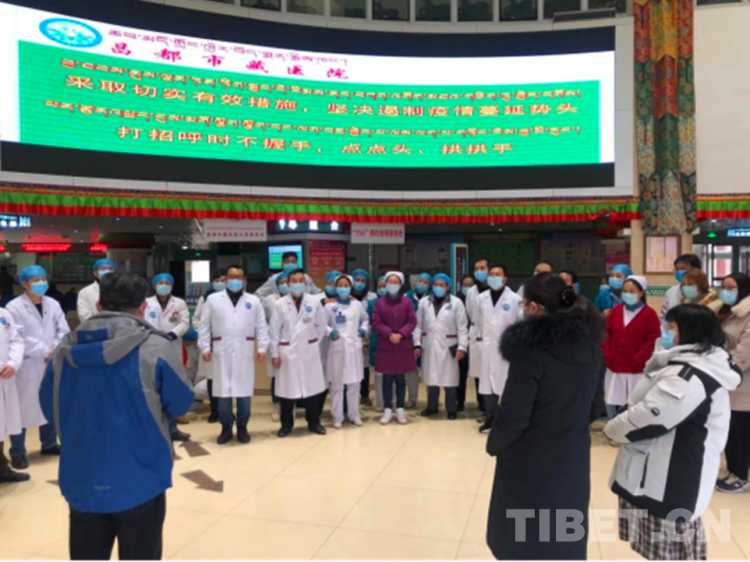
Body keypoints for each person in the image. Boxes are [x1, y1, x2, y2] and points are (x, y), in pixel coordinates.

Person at [39, 271, 194, 561]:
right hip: (142, 474)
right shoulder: (155, 347)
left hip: (82, 471)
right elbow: (180, 403)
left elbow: (49, 405)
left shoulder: (64, 351)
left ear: (99, 306)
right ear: (143, 307)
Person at [606, 304, 741, 560]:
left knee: (670, 549)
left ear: (690, 332)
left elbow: (649, 417)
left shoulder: (688, 376)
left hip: (669, 475)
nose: (666, 333)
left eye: (672, 328)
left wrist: (613, 429)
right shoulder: (693, 361)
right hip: (659, 466)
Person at [487, 273, 604, 560]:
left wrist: (496, 445)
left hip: (530, 455)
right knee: (563, 526)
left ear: (535, 307)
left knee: (523, 533)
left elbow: (514, 413)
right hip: (572, 451)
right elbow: (595, 405)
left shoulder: (531, 349)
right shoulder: (590, 344)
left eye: (524, 304)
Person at [6, 265, 69, 469]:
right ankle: (17, 451)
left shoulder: (53, 304)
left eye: (43, 278)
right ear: (24, 283)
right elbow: (18, 337)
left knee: (49, 402)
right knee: (21, 409)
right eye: (36, 280)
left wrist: (54, 350)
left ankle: (49, 444)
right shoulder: (14, 307)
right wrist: (45, 350)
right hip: (27, 364)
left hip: (50, 361)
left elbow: (64, 330)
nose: (41, 283)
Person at [199, 265, 269, 445]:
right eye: (231, 276)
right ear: (225, 280)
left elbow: (261, 326)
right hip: (221, 351)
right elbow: (204, 326)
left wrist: (262, 348)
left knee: (244, 392)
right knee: (223, 392)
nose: (234, 280)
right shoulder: (213, 299)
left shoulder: (253, 301)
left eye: (238, 277)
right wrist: (205, 347)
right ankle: (226, 426)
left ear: (244, 281)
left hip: (244, 351)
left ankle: (243, 426)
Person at [269, 269, 327, 438]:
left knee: (312, 390)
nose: (297, 283)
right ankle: (286, 425)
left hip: (309, 351)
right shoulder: (280, 304)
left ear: (305, 283)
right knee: (287, 392)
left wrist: (312, 341)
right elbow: (274, 331)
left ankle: (314, 422)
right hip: (287, 352)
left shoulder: (314, 302)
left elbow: (321, 326)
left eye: (300, 280)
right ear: (288, 283)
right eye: (294, 281)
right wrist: (275, 354)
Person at [708, 273, 750, 492]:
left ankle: (741, 476)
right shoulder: (721, 311)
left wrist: (720, 366)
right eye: (723, 286)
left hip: (743, 382)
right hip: (723, 378)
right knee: (730, 430)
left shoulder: (747, 314)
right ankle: (733, 470)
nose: (726, 291)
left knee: (740, 432)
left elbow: (744, 352)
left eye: (731, 288)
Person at [602, 275, 660, 428]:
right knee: (612, 400)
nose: (627, 294)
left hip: (636, 369)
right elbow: (607, 334)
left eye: (632, 291)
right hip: (615, 366)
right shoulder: (616, 311)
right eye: (625, 291)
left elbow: (653, 340)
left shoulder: (649, 314)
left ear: (641, 293)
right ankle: (614, 429)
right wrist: (608, 354)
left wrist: (639, 359)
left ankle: (633, 432)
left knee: (634, 403)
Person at [474, 264, 524, 434]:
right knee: (487, 385)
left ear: (505, 278)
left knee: (508, 384)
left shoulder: (515, 299)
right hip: (487, 347)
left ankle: (509, 419)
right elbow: (477, 323)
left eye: (498, 274)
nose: (494, 277)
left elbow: (520, 324)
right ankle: (491, 418)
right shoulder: (481, 298)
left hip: (507, 349)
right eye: (491, 274)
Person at [413, 273, 468, 420]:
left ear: (448, 287)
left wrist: (462, 347)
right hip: (429, 344)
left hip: (449, 345)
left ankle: (451, 409)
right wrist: (417, 344)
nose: (438, 287)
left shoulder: (456, 303)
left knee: (450, 380)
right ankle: (432, 407)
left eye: (441, 285)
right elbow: (418, 325)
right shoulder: (424, 302)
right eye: (436, 284)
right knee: (431, 378)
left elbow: (462, 327)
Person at [372, 272, 417, 425]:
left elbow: (412, 321)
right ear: (385, 284)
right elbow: (376, 322)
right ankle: (387, 409)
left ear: (400, 285)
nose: (392, 284)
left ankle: (400, 409)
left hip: (402, 345)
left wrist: (401, 334)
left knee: (400, 379)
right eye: (389, 281)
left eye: (395, 282)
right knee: (387, 379)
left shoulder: (407, 302)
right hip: (386, 345)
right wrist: (389, 334)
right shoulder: (379, 303)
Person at [325, 274, 369, 428]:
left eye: (346, 285)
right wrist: (330, 331)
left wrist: (363, 330)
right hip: (337, 348)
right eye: (340, 285)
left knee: (354, 384)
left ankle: (354, 415)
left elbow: (365, 319)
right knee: (337, 385)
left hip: (354, 348)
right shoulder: (329, 306)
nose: (343, 288)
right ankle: (337, 417)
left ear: (350, 287)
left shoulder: (357, 304)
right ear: (335, 287)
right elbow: (321, 323)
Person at [192, 270, 226, 423]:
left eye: (223, 280)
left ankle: (225, 410)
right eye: (217, 280)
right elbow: (196, 319)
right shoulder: (205, 297)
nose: (220, 283)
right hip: (210, 343)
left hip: (227, 343)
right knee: (211, 378)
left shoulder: (233, 297)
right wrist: (204, 333)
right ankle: (214, 410)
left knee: (226, 378)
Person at [0, 305, 27, 483]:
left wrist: (13, 364)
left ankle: (1, 468)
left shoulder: (3, 314)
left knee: (1, 426)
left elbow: (16, 340)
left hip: (5, 376)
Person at [261, 273, 291, 423]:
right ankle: (276, 404)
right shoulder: (269, 300)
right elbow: (263, 320)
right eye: (282, 283)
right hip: (274, 342)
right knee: (276, 375)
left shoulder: (297, 299)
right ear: (277, 285)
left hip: (292, 343)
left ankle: (290, 406)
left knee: (291, 374)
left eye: (287, 282)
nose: (285, 285)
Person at [466, 258, 491, 421]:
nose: (479, 271)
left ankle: (493, 407)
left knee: (493, 374)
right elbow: (471, 315)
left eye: (482, 268)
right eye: (476, 268)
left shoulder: (497, 290)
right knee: (479, 374)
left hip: (493, 337)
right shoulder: (471, 292)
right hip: (477, 336)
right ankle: (482, 406)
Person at [404, 272, 431, 408]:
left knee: (429, 370)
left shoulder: (433, 297)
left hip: (429, 337)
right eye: (420, 281)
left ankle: (431, 400)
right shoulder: (406, 296)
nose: (422, 284)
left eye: (425, 282)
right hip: (409, 338)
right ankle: (412, 399)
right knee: (412, 370)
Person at [351, 269, 377, 408]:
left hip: (365, 335)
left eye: (363, 281)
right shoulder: (345, 295)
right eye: (357, 280)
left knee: (364, 367)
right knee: (349, 367)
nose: (360, 283)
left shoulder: (372, 297)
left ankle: (365, 395)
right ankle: (350, 396)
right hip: (348, 336)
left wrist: (366, 339)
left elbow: (371, 318)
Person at [660, 254, 702, 330]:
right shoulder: (671, 292)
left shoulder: (708, 294)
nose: (679, 272)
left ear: (696, 270)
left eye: (683, 269)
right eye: (677, 269)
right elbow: (664, 317)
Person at [255, 251, 321, 298]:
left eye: (293, 262)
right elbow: (258, 294)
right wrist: (270, 304)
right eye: (287, 262)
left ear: (297, 263)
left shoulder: (305, 277)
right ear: (282, 264)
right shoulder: (274, 278)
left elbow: (317, 293)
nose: (290, 264)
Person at [456, 275, 475, 412]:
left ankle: (482, 402)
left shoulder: (479, 298)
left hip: (476, 339)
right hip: (461, 341)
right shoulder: (456, 300)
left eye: (470, 285)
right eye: (465, 285)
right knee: (461, 374)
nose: (467, 288)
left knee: (479, 374)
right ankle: (460, 401)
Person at [370, 276, 387, 411]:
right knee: (378, 377)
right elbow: (368, 323)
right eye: (379, 286)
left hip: (394, 343)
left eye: (384, 286)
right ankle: (380, 403)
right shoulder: (372, 303)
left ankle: (392, 403)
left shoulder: (400, 302)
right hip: (376, 343)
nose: (382, 289)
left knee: (394, 377)